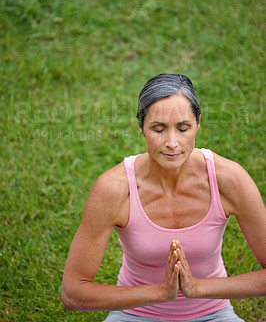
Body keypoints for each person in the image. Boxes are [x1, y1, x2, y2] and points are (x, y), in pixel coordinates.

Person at [61, 73, 266, 322]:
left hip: (213, 314)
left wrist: (198, 287)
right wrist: (160, 292)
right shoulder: (114, 189)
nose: (172, 143)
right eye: (158, 129)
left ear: (198, 123)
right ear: (141, 127)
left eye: (183, 128)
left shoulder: (229, 179)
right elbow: (73, 293)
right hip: (133, 315)